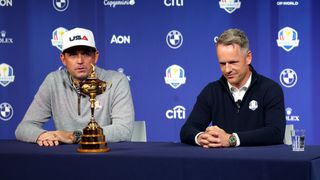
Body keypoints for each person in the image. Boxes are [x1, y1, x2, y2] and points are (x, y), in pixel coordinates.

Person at [15, 27, 135, 146]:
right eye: (72, 55)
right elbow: (24, 127)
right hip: (65, 160)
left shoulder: (116, 80)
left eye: (86, 54)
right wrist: (43, 135)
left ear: (95, 56)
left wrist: (74, 136)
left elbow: (123, 130)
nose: (80, 60)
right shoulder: (53, 81)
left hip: (105, 157)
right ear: (63, 59)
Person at [180, 28, 285, 148]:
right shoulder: (211, 91)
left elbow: (276, 132)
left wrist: (232, 139)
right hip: (221, 164)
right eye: (222, 64)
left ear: (248, 57)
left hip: (260, 163)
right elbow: (187, 130)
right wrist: (201, 138)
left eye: (233, 62)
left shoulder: (270, 89)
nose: (227, 70)